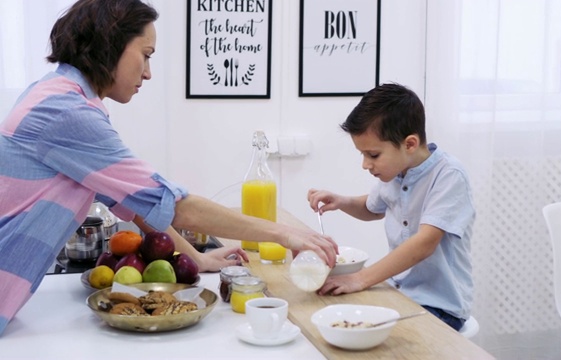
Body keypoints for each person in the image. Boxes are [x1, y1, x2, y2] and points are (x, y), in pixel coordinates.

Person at [0, 0, 337, 336]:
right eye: (146, 54)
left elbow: (134, 201)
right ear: (111, 43)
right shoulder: (66, 110)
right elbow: (174, 205)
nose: (148, 72)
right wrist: (284, 232)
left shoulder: (60, 95)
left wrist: (196, 257)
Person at [307, 83, 475, 331]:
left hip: (438, 306)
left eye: (373, 155)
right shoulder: (396, 173)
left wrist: (360, 278)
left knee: (373, 338)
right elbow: (372, 208)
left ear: (409, 144)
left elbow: (425, 243)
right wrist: (342, 201)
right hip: (400, 293)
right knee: (336, 316)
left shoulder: (449, 176)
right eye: (362, 155)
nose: (366, 164)